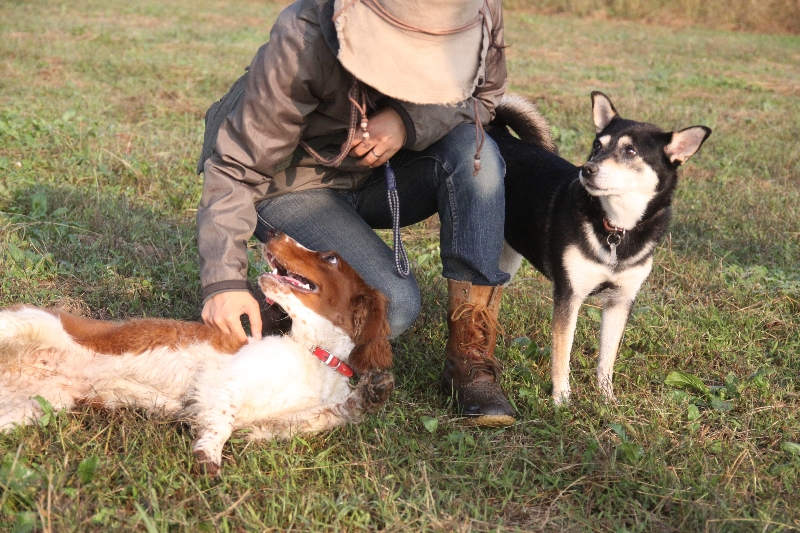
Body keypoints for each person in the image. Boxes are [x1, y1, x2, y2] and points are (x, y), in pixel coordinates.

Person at [196, 0, 515, 427]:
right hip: (294, 180)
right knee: (392, 310)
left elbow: (485, 98)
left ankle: (469, 357)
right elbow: (237, 167)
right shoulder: (304, 34)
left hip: (384, 170)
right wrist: (223, 282)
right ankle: (273, 311)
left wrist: (407, 121)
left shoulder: (476, 10)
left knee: (478, 156)